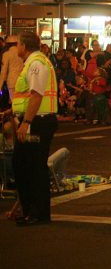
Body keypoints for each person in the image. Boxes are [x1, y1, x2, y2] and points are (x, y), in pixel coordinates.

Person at [4, 32, 58, 225]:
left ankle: (38, 213)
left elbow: (36, 96)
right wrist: (13, 110)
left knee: (35, 168)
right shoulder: (32, 63)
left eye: (17, 44)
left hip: (37, 122)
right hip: (31, 120)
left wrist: (25, 122)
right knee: (22, 164)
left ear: (24, 47)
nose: (15, 47)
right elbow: (28, 96)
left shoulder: (36, 64)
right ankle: (29, 210)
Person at [0, 35, 24, 102]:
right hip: (22, 80)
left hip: (12, 81)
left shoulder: (6, 54)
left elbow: (3, 71)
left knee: (14, 102)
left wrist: (0, 85)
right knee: (21, 101)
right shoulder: (22, 53)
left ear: (7, 43)